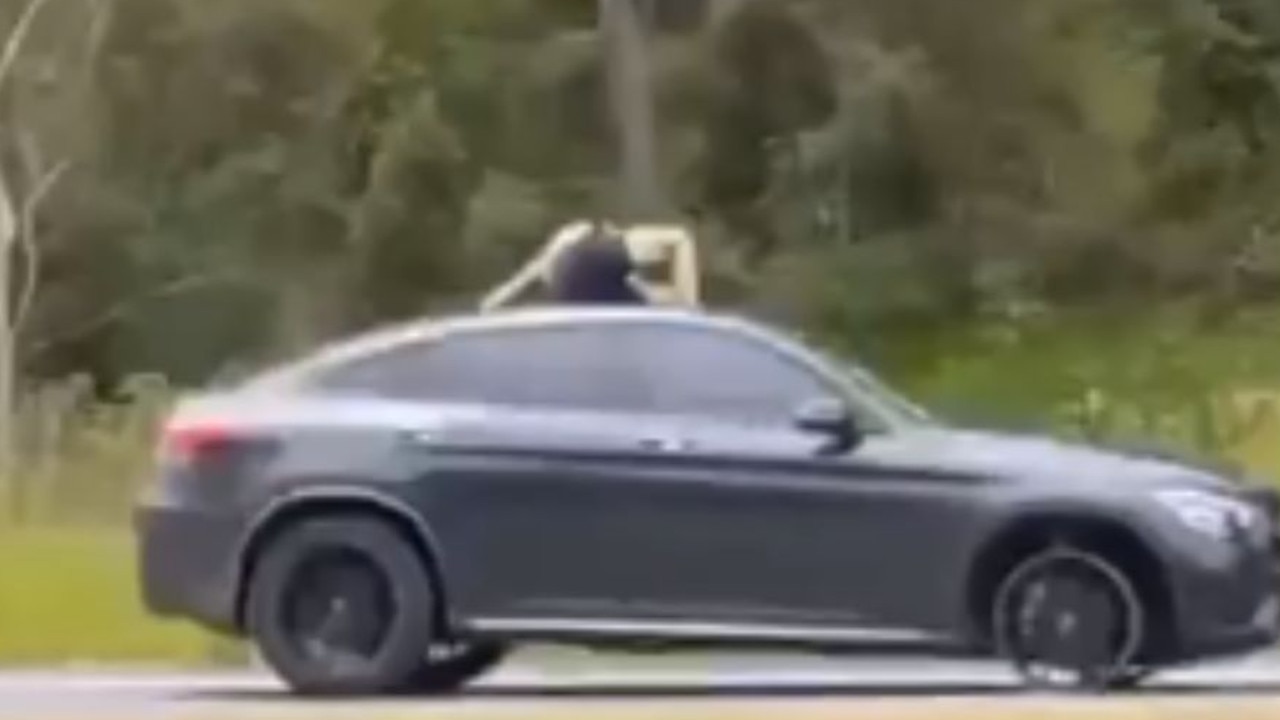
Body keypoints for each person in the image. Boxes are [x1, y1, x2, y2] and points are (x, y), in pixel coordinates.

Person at [479, 217, 701, 312]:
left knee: (668, 295)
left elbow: (529, 272)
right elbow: (677, 240)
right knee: (680, 238)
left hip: (570, 289)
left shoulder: (620, 290)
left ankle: (689, 306)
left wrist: (494, 301)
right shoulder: (596, 238)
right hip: (582, 265)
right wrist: (691, 306)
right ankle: (692, 308)